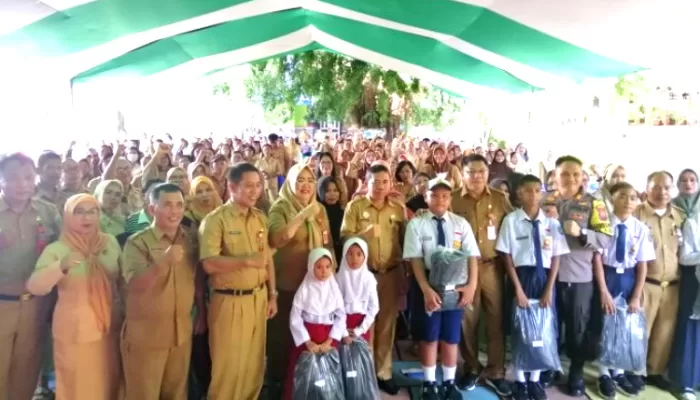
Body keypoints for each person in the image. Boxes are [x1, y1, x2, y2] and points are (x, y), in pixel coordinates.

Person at [26, 194, 122, 400]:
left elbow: (122, 280)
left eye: (92, 211)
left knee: (109, 382)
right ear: (68, 216)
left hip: (108, 327)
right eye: (79, 212)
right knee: (77, 387)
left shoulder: (109, 243)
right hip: (74, 332)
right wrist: (61, 266)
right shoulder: (58, 250)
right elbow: (35, 286)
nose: (86, 218)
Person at [199, 163, 277, 400]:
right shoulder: (216, 220)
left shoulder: (260, 218)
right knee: (228, 366)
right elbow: (209, 264)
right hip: (228, 300)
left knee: (253, 363)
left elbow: (266, 259)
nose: (255, 191)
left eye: (258, 186)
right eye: (248, 186)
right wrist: (245, 261)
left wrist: (273, 294)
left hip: (258, 298)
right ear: (232, 187)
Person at [541, 155, 612, 396]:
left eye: (575, 174)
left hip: (578, 276)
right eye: (564, 174)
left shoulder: (594, 203)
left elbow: (606, 239)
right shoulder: (544, 200)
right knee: (548, 325)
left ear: (582, 176)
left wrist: (582, 233)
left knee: (576, 328)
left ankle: (576, 372)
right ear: (555, 176)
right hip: (545, 274)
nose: (570, 178)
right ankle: (551, 366)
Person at [403, 177, 480, 400]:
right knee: (429, 335)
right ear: (425, 197)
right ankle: (429, 382)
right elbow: (416, 260)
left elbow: (472, 256)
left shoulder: (460, 224)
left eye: (445, 195)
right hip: (428, 284)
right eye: (434, 195)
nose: (440, 200)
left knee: (451, 336)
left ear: (450, 198)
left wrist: (471, 286)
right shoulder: (417, 224)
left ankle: (448, 381)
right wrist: (426, 289)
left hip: (456, 286)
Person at [120, 183, 196, 400]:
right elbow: (134, 285)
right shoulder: (137, 242)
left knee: (176, 394)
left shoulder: (189, 238)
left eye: (179, 205)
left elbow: (197, 277)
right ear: (153, 209)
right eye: (167, 205)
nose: (175, 211)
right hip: (147, 337)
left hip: (180, 333)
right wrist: (163, 262)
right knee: (144, 394)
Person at [496, 174, 569, 400]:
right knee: (521, 331)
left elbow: (556, 256)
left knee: (542, 329)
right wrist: (517, 288)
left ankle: (535, 380)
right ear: (519, 193)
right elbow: (506, 256)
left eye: (538, 190)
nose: (534, 195)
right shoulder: (511, 220)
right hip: (522, 277)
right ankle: (520, 381)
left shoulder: (551, 223)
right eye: (528, 191)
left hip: (545, 278)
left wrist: (549, 288)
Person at [0, 153, 61, 400]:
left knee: (26, 371)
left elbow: (62, 248)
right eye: (13, 177)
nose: (22, 184)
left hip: (35, 306)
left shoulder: (47, 212)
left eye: (27, 177)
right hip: (2, 304)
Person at [341, 163, 406, 395]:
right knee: (362, 324)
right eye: (375, 181)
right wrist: (362, 235)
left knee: (387, 324)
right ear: (366, 182)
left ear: (391, 183)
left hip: (390, 274)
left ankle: (383, 372)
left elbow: (405, 239)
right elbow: (345, 237)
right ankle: (363, 371)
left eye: (384, 182)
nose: (380, 186)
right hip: (361, 277)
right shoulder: (355, 207)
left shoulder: (397, 208)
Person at [451, 154, 513, 397]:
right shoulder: (453, 199)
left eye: (481, 172)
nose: (477, 176)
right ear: (463, 174)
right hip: (464, 269)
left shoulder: (499, 199)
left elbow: (514, 226)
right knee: (468, 320)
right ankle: (472, 367)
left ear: (488, 174)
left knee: (496, 320)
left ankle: (496, 370)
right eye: (471, 172)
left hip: (492, 268)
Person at [266, 164, 334, 384]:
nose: (306, 185)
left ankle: (302, 386)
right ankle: (278, 385)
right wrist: (304, 214)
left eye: (310, 180)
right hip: (288, 286)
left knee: (309, 339)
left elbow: (327, 243)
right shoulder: (280, 208)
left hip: (315, 287)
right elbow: (277, 239)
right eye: (300, 180)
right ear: (290, 183)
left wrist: (331, 275)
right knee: (283, 340)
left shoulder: (320, 209)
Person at [593, 182, 653, 398]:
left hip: (628, 279)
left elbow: (642, 264)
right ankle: (603, 373)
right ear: (612, 199)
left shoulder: (641, 229)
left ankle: (618, 371)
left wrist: (636, 296)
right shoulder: (602, 224)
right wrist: (603, 291)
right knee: (603, 325)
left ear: (638, 201)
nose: (628, 202)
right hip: (606, 276)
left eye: (633, 197)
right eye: (622, 196)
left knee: (623, 328)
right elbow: (597, 258)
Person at [633, 171, 685, 391]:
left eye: (666, 187)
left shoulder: (680, 217)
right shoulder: (637, 214)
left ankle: (654, 371)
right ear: (647, 188)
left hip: (673, 285)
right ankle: (635, 371)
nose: (662, 192)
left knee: (664, 332)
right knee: (639, 331)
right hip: (646, 284)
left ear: (672, 189)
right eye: (656, 187)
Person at [284, 248, 346, 400]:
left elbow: (341, 316)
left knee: (327, 376)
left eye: (327, 267)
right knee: (304, 375)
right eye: (318, 267)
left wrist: (330, 341)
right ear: (311, 267)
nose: (323, 271)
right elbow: (295, 317)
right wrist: (307, 342)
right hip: (307, 339)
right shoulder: (304, 289)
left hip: (327, 339)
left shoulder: (334, 288)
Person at [673, 189, 700, 400]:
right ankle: (687, 382)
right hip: (695, 282)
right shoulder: (692, 222)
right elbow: (685, 257)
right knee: (692, 331)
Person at [337, 238, 379, 343]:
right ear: (344, 255)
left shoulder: (369, 278)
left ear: (365, 256)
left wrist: (360, 329)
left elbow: (374, 307)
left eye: (359, 254)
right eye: (350, 254)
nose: (354, 258)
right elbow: (335, 307)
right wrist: (344, 332)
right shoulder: (338, 278)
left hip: (362, 324)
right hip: (341, 326)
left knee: (361, 357)